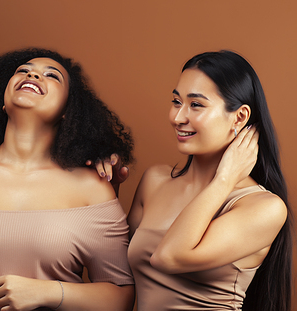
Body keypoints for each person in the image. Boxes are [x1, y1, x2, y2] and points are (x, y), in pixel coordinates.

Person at [0, 48, 135, 311]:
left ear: (69, 110)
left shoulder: (92, 188)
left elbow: (121, 296)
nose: (33, 74)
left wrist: (48, 292)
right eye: (23, 70)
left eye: (52, 76)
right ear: (2, 100)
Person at [125, 51, 292, 310]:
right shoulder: (154, 182)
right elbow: (116, 273)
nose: (178, 117)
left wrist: (224, 181)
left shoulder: (264, 207)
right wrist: (104, 185)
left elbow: (167, 257)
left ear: (239, 117)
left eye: (196, 105)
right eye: (176, 101)